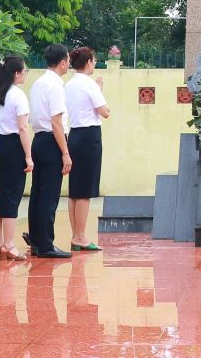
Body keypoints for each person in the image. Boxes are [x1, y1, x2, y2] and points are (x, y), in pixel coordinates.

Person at [24, 44, 72, 258]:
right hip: (52, 141)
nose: (69, 64)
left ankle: (36, 240)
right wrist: (65, 153)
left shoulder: (38, 83)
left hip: (39, 139)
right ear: (62, 62)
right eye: (68, 60)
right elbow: (56, 122)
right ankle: (46, 244)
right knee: (49, 195)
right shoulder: (56, 86)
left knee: (37, 192)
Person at [0, 54, 33, 262]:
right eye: (25, 71)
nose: (26, 74)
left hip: (1, 146)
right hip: (15, 146)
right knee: (12, 196)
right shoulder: (18, 96)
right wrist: (28, 156)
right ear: (16, 73)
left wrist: (1, 146)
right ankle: (9, 245)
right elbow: (23, 128)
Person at [64, 46, 110, 251]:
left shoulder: (69, 84)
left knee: (75, 189)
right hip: (89, 136)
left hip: (74, 135)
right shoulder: (89, 85)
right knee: (84, 190)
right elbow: (105, 111)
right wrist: (99, 90)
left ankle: (76, 235)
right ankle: (80, 236)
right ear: (89, 62)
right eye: (94, 60)